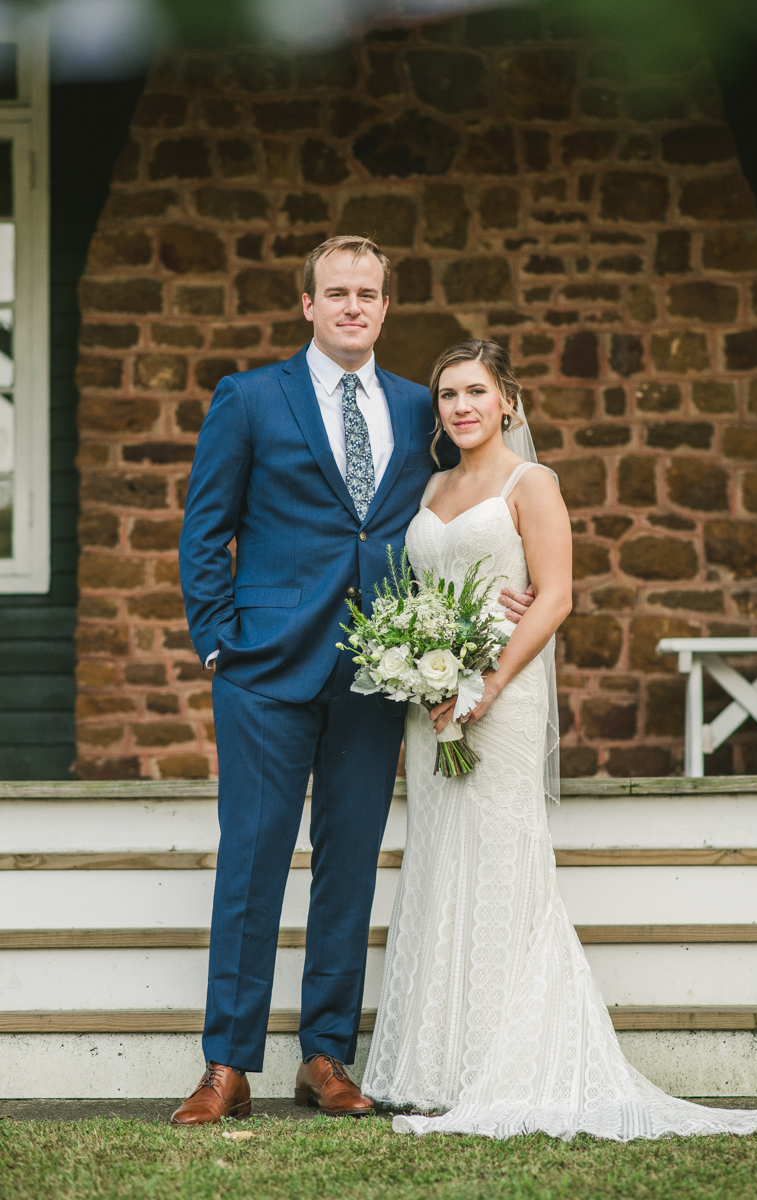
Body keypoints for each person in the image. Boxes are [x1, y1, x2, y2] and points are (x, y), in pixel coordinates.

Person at [361, 338, 757, 1142]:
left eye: (475, 392)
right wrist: (423, 673)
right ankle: (436, 1068)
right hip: (433, 710)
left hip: (503, 696)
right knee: (438, 858)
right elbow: (421, 593)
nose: (460, 407)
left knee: (500, 861)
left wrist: (485, 684)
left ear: (507, 402)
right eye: (448, 396)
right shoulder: (432, 484)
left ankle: (503, 1061)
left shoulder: (534, 483)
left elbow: (556, 597)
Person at [174, 238, 533, 1125]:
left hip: (378, 677)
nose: (351, 308)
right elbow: (204, 527)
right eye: (335, 293)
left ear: (383, 308)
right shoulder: (251, 397)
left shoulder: (421, 409)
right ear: (307, 305)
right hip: (263, 672)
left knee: (349, 869)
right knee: (252, 863)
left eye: (366, 295)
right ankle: (227, 1065)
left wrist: (500, 593)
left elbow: (463, 507)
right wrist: (219, 644)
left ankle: (326, 1056)